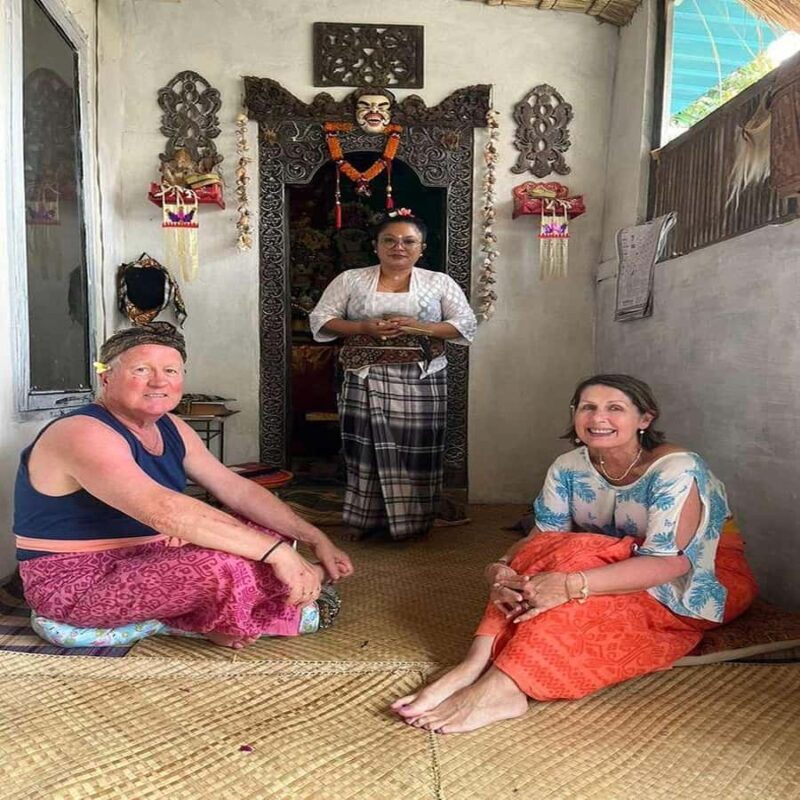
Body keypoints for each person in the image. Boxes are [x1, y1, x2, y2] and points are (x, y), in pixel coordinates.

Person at [392, 374, 757, 733]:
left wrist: (569, 586)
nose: (598, 418)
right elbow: (543, 539)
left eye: (615, 408)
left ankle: (502, 687)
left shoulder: (676, 469)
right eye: (588, 407)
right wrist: (502, 570)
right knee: (554, 561)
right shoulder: (568, 466)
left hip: (696, 579)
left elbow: (671, 561)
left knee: (578, 583)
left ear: (645, 419)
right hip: (605, 562)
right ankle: (474, 663)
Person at [14, 322, 354, 649]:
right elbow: (165, 512)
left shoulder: (171, 426)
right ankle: (206, 617)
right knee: (226, 565)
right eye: (141, 370)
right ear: (107, 377)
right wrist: (275, 554)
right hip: (81, 582)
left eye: (171, 371)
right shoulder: (81, 432)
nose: (159, 381)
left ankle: (223, 607)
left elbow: (236, 489)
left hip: (150, 559)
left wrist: (314, 536)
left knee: (264, 529)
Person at [309, 209, 477, 541]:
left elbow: (465, 323)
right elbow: (322, 319)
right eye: (390, 240)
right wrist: (363, 327)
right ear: (376, 246)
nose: (398, 247)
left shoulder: (438, 282)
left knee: (417, 448)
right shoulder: (351, 279)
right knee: (366, 450)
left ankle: (414, 524)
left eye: (408, 241)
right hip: (365, 376)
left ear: (421, 247)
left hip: (421, 379)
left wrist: (423, 328)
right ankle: (368, 522)